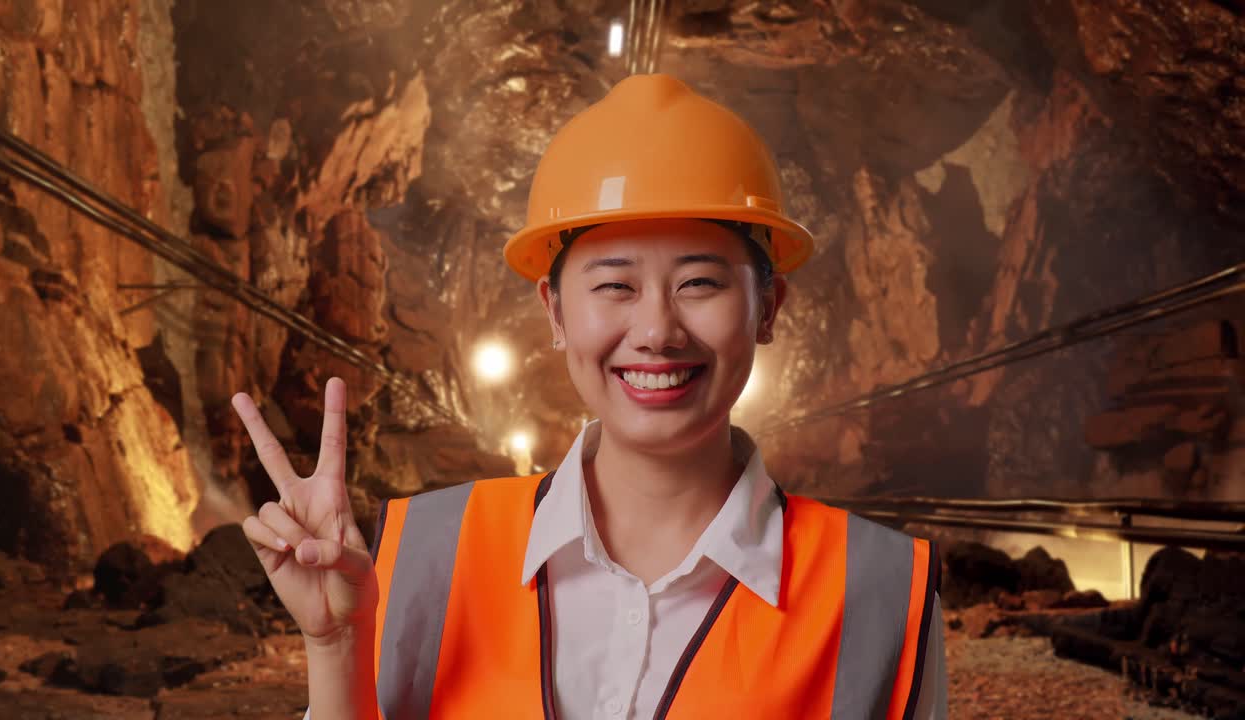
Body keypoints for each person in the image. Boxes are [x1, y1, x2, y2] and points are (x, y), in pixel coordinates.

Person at [233, 73, 946, 720]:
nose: (658, 330)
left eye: (700, 282)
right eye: (615, 286)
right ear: (554, 311)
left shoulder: (881, 592)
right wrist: (334, 650)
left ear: (767, 307)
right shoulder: (419, 558)